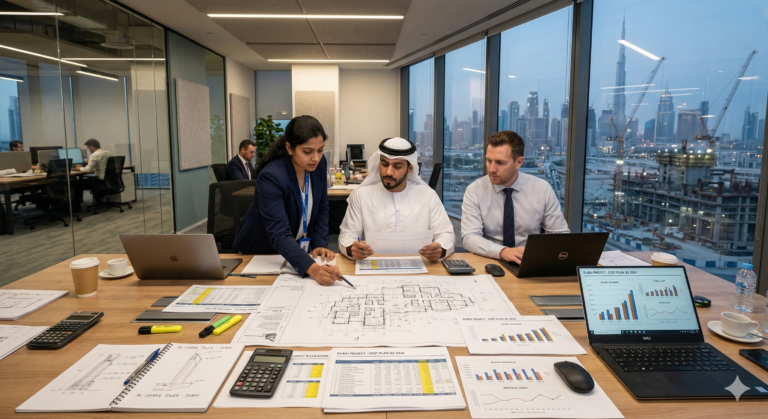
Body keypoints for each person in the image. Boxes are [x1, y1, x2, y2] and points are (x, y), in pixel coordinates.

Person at [232, 115, 340, 285]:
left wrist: (320, 244)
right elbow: (279, 233)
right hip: (260, 255)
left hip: (292, 252)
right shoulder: (272, 176)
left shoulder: (318, 166)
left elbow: (321, 207)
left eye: (320, 150)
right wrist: (314, 270)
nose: (316, 158)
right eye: (307, 152)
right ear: (289, 148)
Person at [461, 130, 569, 265]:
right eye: (489, 161)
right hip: (490, 260)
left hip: (528, 260)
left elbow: (560, 236)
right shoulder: (475, 190)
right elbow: (469, 238)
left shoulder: (542, 189)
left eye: (500, 162)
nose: (492, 169)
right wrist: (503, 252)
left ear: (518, 162)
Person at [339, 137, 455, 262]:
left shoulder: (427, 195)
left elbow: (446, 234)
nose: (389, 172)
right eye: (384, 164)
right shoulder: (362, 195)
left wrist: (440, 249)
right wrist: (351, 248)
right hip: (374, 265)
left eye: (397, 166)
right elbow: (347, 235)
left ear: (409, 168)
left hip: (419, 266)